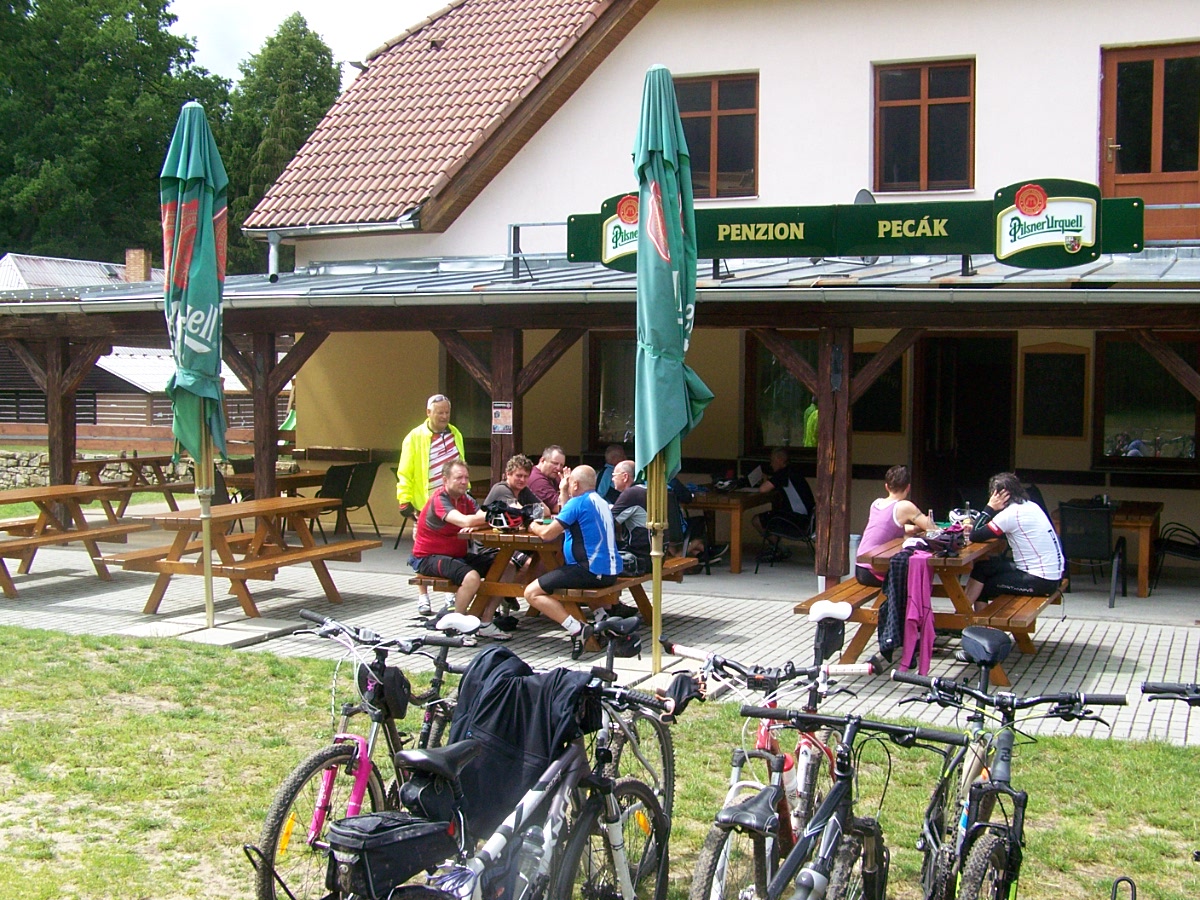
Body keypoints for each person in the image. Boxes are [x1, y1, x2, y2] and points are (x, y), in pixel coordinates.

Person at [523, 464, 620, 659]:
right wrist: (563, 490)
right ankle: (602, 619)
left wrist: (530, 524)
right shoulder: (600, 501)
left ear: (575, 484)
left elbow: (547, 534)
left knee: (531, 593)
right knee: (568, 577)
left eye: (570, 484)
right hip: (610, 571)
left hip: (589, 571)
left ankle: (577, 629)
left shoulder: (578, 503)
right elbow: (566, 515)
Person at [410, 458, 510, 642]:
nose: (464, 482)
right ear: (445, 480)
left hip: (457, 555)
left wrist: (477, 524)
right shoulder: (440, 499)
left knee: (507, 567)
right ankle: (457, 628)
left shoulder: (466, 499)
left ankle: (485, 621)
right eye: (459, 478)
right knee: (471, 577)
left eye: (466, 478)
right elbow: (466, 521)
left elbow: (479, 520)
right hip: (428, 557)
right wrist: (498, 512)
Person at [397, 393, 466, 615]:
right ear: (428, 413)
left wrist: (465, 491)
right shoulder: (414, 437)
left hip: (452, 502)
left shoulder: (455, 433)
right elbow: (405, 472)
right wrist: (404, 501)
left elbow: (461, 464)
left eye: (447, 412)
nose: (444, 416)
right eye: (440, 413)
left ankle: (449, 594)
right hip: (425, 504)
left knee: (451, 547)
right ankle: (423, 597)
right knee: (422, 550)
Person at [964, 472, 1065, 610]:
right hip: (1050, 575)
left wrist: (989, 507)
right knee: (982, 568)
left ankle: (967, 618)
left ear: (996, 495)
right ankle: (963, 613)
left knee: (983, 587)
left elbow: (975, 535)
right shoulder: (1031, 506)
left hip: (1041, 581)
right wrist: (983, 528)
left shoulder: (1011, 514)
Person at [854, 464, 938, 586]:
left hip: (861, 567)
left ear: (886, 486)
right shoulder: (904, 506)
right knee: (917, 577)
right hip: (875, 569)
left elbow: (888, 527)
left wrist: (915, 528)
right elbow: (932, 528)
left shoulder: (876, 503)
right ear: (908, 487)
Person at [752, 448, 818, 561]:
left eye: (772, 460)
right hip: (807, 518)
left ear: (780, 460)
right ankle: (776, 548)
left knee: (757, 520)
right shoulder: (793, 471)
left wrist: (764, 480)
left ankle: (779, 549)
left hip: (797, 520)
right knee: (774, 514)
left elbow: (763, 489)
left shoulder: (783, 473)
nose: (771, 464)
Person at [527, 445, 567, 514]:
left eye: (561, 465)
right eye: (555, 463)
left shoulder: (552, 476)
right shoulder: (537, 480)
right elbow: (559, 508)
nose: (558, 468)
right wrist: (565, 489)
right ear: (542, 460)